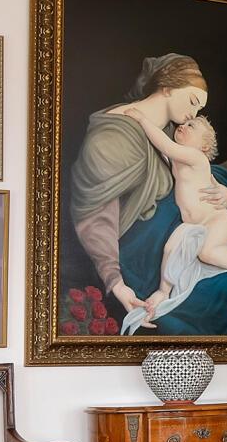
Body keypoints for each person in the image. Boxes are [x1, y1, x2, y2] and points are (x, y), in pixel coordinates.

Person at [64, 55, 211, 320]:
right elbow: (96, 217)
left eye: (199, 109)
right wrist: (116, 282)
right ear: (167, 87)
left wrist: (223, 190)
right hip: (138, 258)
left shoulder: (170, 130)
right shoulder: (112, 140)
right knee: (225, 294)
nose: (194, 114)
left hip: (175, 245)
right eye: (192, 101)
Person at [119, 114, 227, 334]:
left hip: (215, 221)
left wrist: (142, 120)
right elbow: (168, 154)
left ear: (203, 146)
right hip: (194, 224)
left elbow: (165, 145)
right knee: (171, 248)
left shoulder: (195, 157)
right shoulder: (180, 158)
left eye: (191, 126)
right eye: (184, 123)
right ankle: (163, 291)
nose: (183, 126)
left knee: (207, 252)